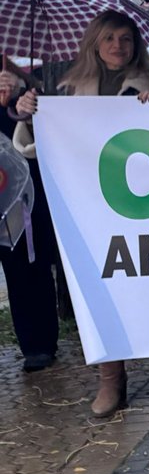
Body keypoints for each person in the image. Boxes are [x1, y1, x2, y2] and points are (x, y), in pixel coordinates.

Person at [13, 11, 149, 416]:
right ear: (95, 43)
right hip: (93, 212)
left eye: (126, 39)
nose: (118, 46)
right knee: (101, 290)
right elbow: (35, 148)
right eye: (110, 38)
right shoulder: (66, 91)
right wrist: (30, 113)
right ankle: (111, 377)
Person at [0, 63, 60, 372]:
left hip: (24, 199)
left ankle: (39, 345)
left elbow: (37, 139)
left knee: (29, 265)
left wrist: (19, 102)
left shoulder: (26, 93)